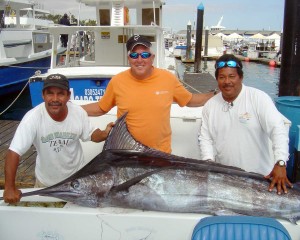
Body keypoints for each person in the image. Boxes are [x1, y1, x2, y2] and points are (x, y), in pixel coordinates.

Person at [82, 34, 215, 153]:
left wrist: (215, 95)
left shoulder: (167, 78)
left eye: (144, 55)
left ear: (152, 57)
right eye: (134, 55)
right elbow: (101, 108)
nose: (139, 59)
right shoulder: (117, 81)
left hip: (160, 155)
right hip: (127, 155)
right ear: (129, 58)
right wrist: (73, 108)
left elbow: (190, 99)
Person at [3, 74, 114, 204]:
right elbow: (14, 153)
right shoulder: (32, 118)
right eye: (50, 94)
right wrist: (9, 187)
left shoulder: (78, 113)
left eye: (60, 94)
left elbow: (91, 134)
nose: (55, 99)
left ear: (68, 96)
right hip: (45, 184)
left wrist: (105, 133)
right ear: (43, 95)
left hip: (76, 183)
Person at [198, 54, 292, 194]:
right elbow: (205, 139)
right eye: (222, 77)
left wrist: (280, 162)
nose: (227, 81)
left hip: (261, 179)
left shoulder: (258, 98)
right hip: (225, 180)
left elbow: (277, 130)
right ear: (217, 79)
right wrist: (208, 162)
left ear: (241, 77)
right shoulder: (210, 106)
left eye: (232, 76)